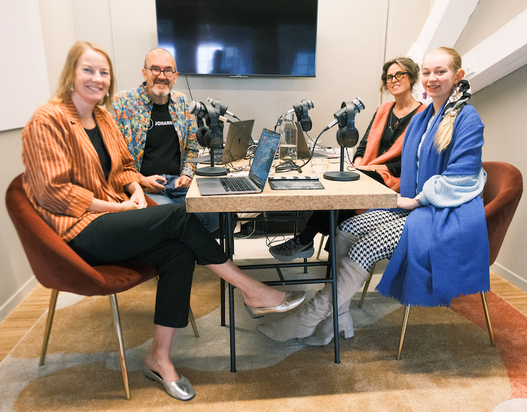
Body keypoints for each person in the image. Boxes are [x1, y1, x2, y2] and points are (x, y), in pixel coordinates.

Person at [21, 41, 305, 401]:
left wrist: (133, 191)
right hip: (76, 233)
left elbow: (123, 168)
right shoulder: (48, 120)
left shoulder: (102, 118)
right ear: (70, 74)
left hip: (113, 217)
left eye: (103, 72)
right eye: (87, 70)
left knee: (178, 250)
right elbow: (53, 194)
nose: (97, 78)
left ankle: (159, 358)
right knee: (178, 216)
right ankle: (251, 289)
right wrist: (120, 208)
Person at [258, 47, 489, 347]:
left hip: (444, 212)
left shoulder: (467, 119)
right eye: (428, 72)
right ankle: (338, 317)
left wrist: (416, 200)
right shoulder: (426, 117)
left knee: (366, 247)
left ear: (458, 76)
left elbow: (461, 178)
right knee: (346, 229)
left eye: (440, 72)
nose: (432, 78)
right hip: (416, 205)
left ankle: (307, 319)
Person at [269, 57, 425, 262]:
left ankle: (307, 240)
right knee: (341, 184)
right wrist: (357, 167)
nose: (393, 80)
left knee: (346, 192)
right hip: (369, 171)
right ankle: (328, 254)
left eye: (399, 74)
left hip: (396, 179)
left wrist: (371, 170)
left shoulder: (423, 114)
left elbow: (411, 161)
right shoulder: (383, 110)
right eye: (389, 77)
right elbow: (363, 145)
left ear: (411, 77)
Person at [111, 48, 218, 233]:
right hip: (142, 186)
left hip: (176, 183)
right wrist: (141, 180)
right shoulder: (122, 103)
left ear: (175, 76)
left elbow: (192, 147)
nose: (162, 76)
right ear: (144, 73)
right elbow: (113, 158)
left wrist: (187, 174)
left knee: (215, 215)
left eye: (167, 70)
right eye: (155, 69)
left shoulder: (182, 102)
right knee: (173, 219)